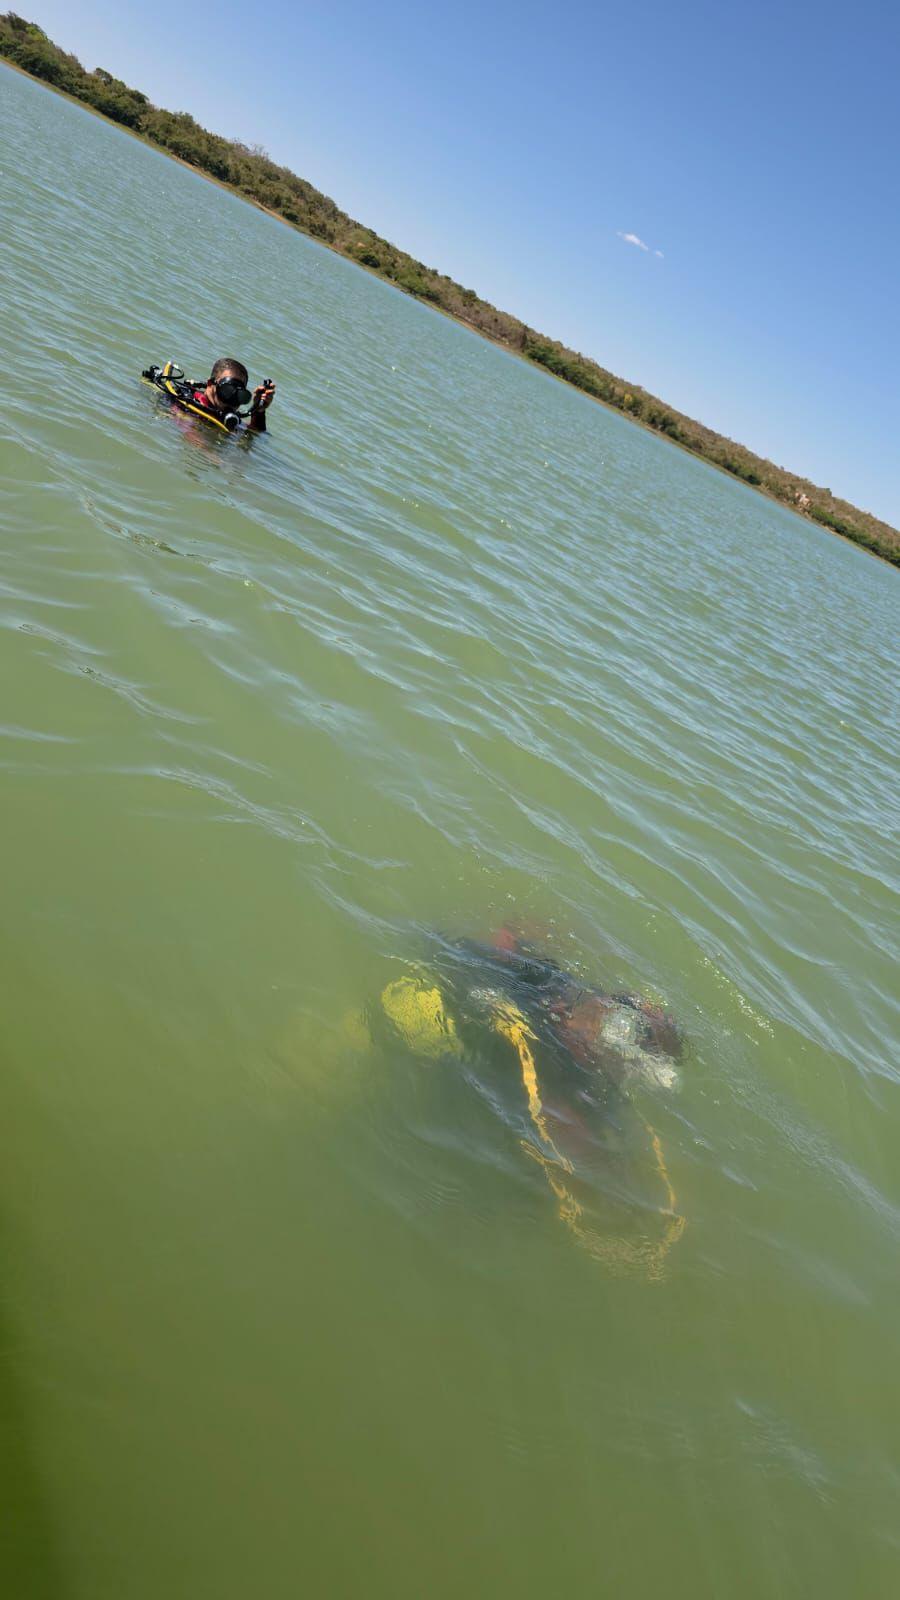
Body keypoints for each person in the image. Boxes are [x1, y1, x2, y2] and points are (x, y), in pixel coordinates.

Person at [191, 357, 275, 432]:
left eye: (239, 395)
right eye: (227, 391)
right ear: (210, 384)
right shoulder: (188, 408)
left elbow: (256, 435)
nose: (232, 401)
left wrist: (259, 410)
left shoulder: (231, 420)